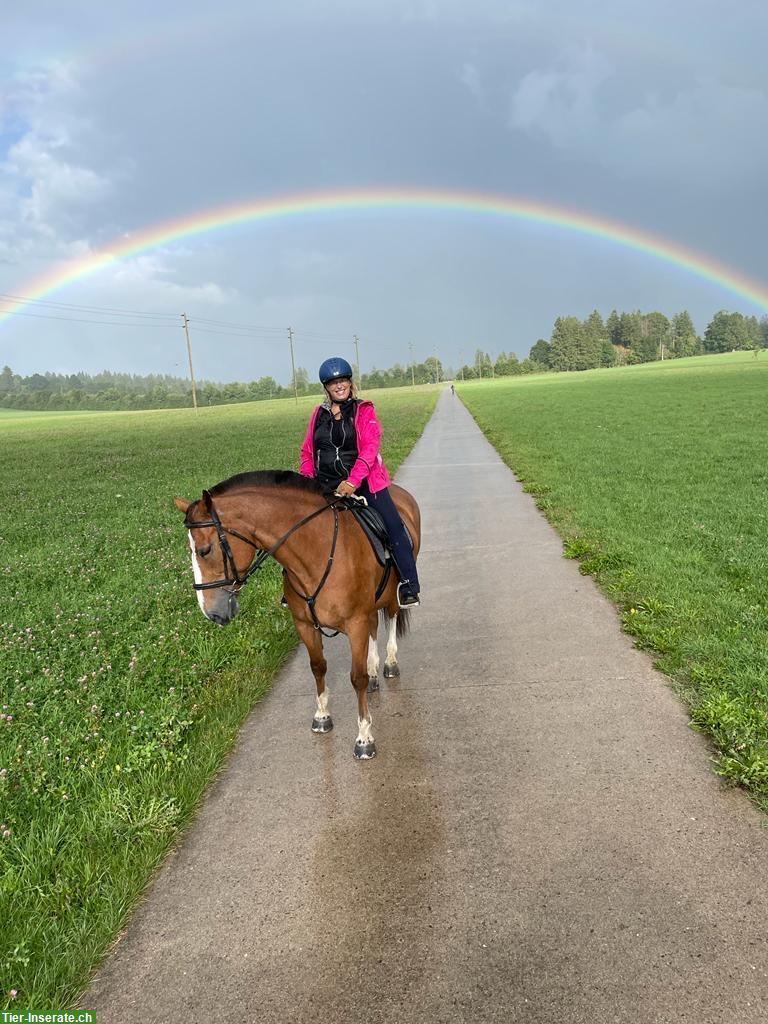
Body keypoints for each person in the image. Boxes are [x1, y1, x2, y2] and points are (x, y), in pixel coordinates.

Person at [299, 357, 421, 607]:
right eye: (333, 383)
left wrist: (353, 482)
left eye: (343, 380)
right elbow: (307, 451)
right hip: (324, 484)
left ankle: (409, 584)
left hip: (365, 483)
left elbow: (369, 449)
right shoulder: (318, 414)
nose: (339, 386)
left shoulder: (364, 410)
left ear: (350, 383)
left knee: (394, 526)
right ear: (326, 387)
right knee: (299, 527)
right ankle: (295, 591)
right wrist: (307, 482)